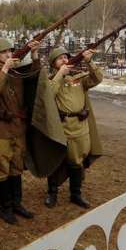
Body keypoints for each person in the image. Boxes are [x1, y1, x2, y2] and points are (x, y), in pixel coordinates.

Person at [0, 38, 41, 224]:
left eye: (10, 51)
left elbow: (35, 77)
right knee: (2, 168)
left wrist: (34, 53)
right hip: (1, 131)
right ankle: (4, 208)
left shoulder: (17, 73)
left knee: (16, 167)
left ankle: (17, 203)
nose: (9, 54)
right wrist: (5, 68)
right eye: (4, 52)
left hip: (18, 129)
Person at [44, 46, 103, 209]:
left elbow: (97, 78)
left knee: (77, 161)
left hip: (79, 126)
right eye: (60, 58)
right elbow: (48, 94)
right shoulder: (51, 80)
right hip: (61, 127)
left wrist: (89, 61)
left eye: (66, 57)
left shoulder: (79, 78)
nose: (64, 60)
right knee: (55, 161)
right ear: (53, 64)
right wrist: (60, 75)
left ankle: (76, 194)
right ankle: (52, 193)